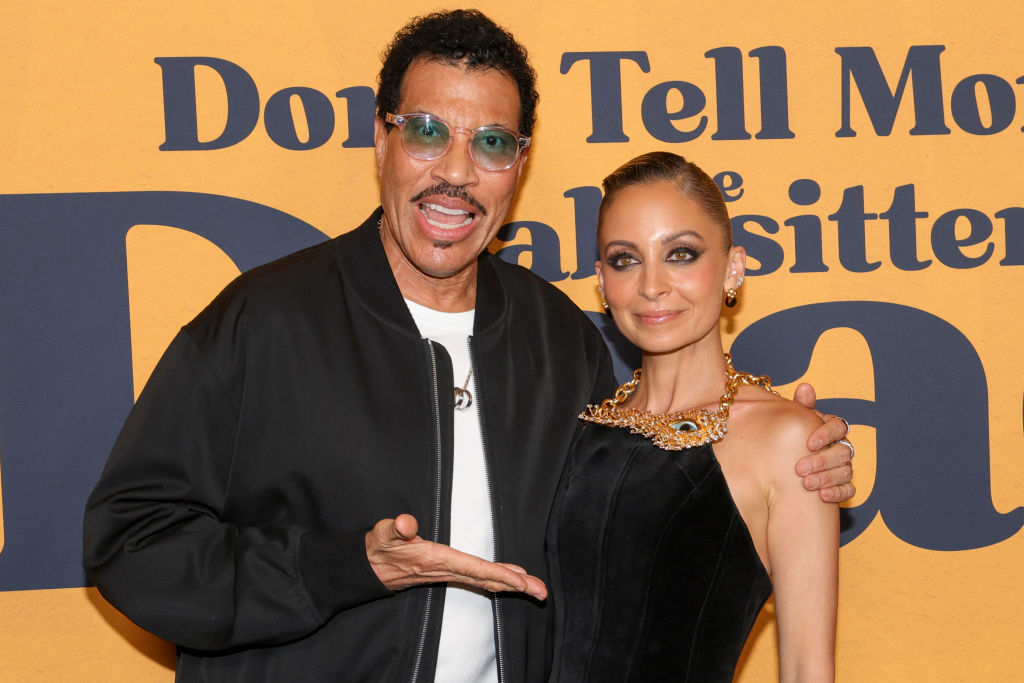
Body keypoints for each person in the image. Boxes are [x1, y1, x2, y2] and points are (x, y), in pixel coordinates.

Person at [82, 10, 853, 682]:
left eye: (489, 142)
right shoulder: (265, 323)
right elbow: (129, 543)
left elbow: (654, 516)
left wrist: (796, 450)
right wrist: (345, 564)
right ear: (380, 138)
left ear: (519, 163)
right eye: (425, 132)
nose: (455, 173)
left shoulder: (559, 344)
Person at [546, 151, 839, 682]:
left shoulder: (791, 441)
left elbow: (805, 669)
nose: (652, 285)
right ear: (601, 282)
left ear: (733, 267)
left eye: (680, 254)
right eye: (624, 259)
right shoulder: (581, 428)